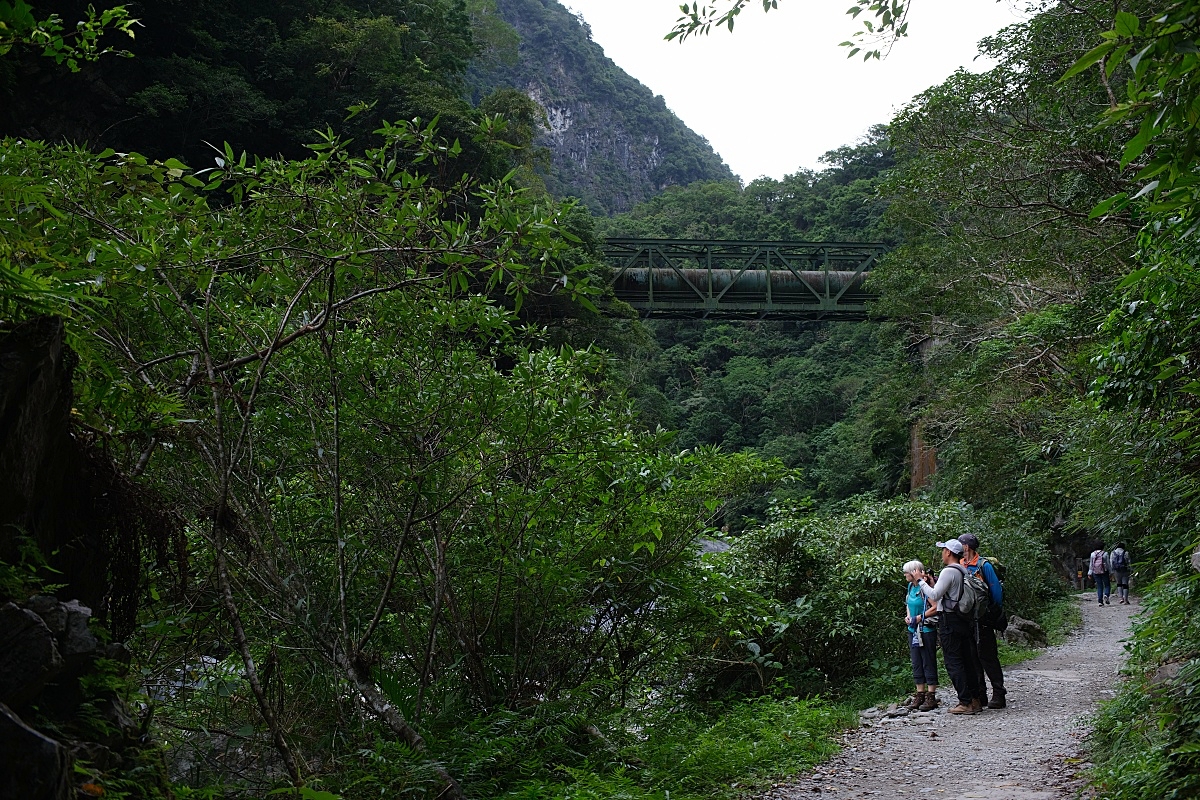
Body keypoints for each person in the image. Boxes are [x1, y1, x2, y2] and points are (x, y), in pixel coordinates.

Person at [917, 539, 984, 714]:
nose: (942, 553)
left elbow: (935, 594)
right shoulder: (962, 569)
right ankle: (975, 699)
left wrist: (921, 582)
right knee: (968, 660)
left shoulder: (949, 571)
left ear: (948, 552)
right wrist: (932, 583)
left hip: (950, 620)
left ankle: (965, 702)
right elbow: (948, 593)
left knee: (954, 661)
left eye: (943, 550)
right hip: (964, 619)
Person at [959, 533, 1006, 709]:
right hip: (967, 618)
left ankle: (999, 693)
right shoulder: (960, 565)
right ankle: (980, 694)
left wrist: (992, 613)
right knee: (971, 657)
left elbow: (996, 592)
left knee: (987, 656)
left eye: (960, 544)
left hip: (983, 618)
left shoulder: (983, 565)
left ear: (967, 547)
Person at [903, 560, 940, 711]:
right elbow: (908, 604)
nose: (905, 575)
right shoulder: (910, 586)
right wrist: (909, 617)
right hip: (913, 630)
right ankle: (920, 693)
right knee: (916, 661)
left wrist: (919, 618)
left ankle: (931, 696)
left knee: (928, 660)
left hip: (926, 630)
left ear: (914, 572)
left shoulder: (926, 588)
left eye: (906, 572)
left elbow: (936, 607)